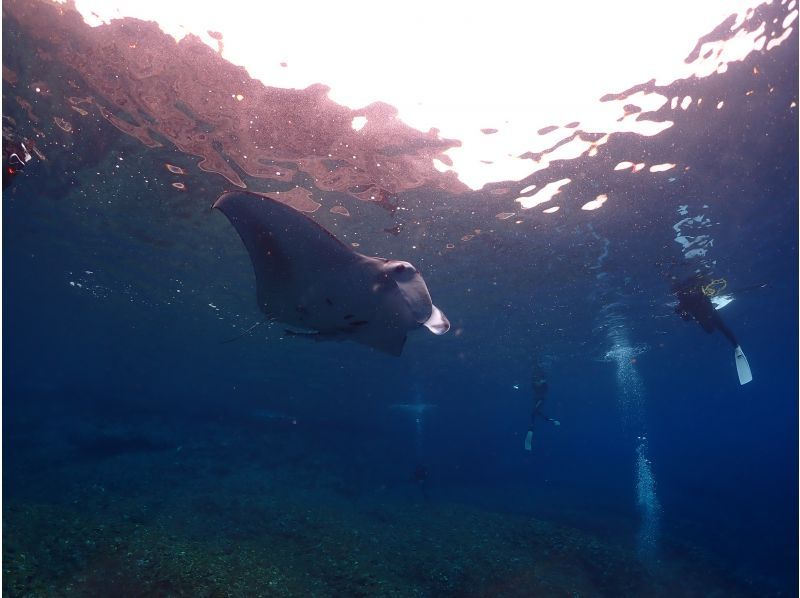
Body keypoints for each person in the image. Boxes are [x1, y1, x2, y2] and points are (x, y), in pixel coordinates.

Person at [672, 274, 752, 385]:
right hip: (710, 313)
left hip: (707, 315)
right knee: (719, 328)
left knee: (716, 329)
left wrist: (683, 313)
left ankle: (737, 347)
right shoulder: (685, 300)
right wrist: (683, 313)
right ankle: (737, 347)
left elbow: (687, 318)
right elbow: (687, 315)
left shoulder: (683, 302)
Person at [524, 362, 560, 451]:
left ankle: (531, 429)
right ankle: (551, 420)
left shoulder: (544, 385)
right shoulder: (534, 382)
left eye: (539, 380)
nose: (537, 381)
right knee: (536, 412)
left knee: (534, 412)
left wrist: (541, 382)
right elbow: (534, 385)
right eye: (536, 380)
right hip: (536, 398)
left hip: (540, 399)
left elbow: (543, 391)